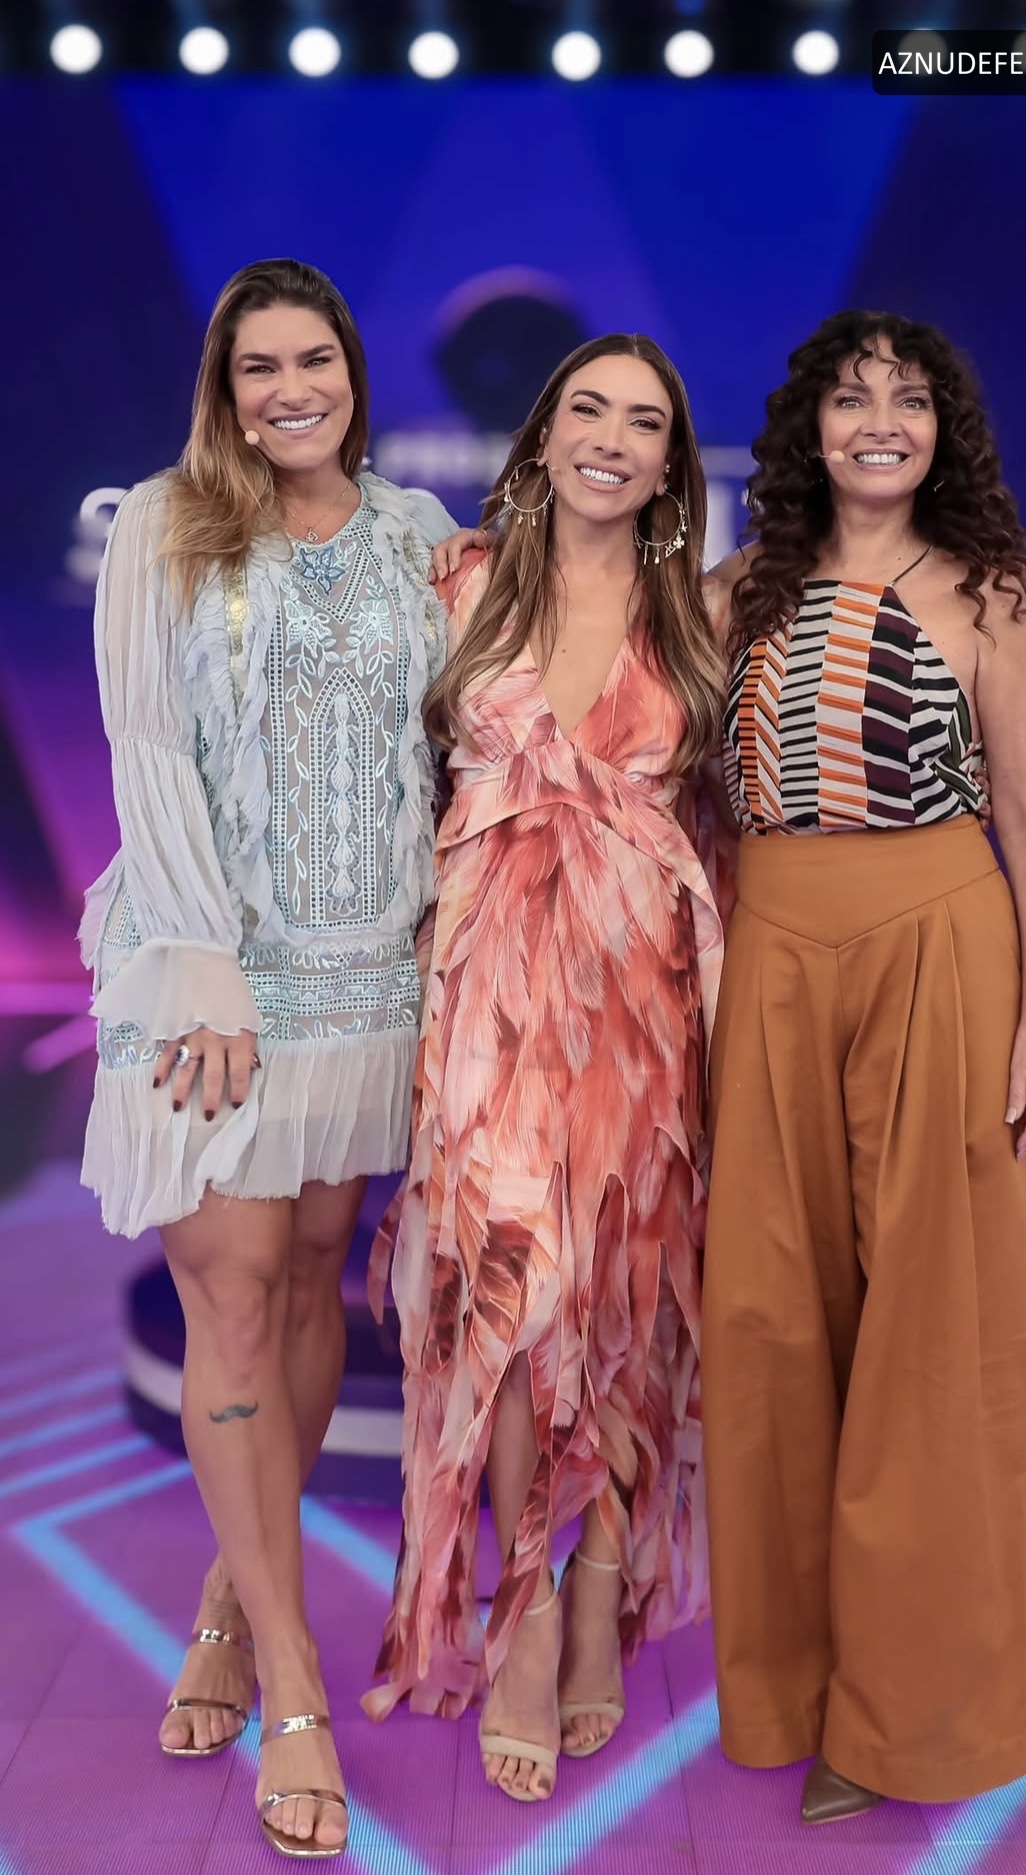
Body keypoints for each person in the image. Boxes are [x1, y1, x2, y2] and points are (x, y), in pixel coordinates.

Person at [81, 258, 453, 1858]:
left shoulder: (415, 536)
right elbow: (147, 751)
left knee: (308, 1288)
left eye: (315, 361)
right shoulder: (167, 525)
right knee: (230, 1299)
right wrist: (204, 972)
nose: (291, 390)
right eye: (260, 368)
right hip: (211, 984)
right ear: (224, 393)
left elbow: (443, 748)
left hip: (368, 986)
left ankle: (236, 1596)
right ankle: (293, 1685)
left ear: (353, 373)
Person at [701, 309, 1026, 1822]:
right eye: (850, 398)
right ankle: (788, 1694)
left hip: (941, 944)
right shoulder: (735, 590)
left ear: (940, 432)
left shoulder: (986, 590)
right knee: (767, 1324)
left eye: (908, 400)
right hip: (772, 953)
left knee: (931, 1334)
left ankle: (906, 1722)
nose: (878, 422)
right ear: (809, 427)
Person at [361, 334, 726, 1803]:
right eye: (589, 409)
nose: (612, 439)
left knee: (625, 1305)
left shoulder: (702, 615)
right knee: (514, 1301)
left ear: (670, 463)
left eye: (645, 422)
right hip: (485, 1003)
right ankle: (518, 1613)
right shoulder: (455, 582)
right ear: (542, 432)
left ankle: (598, 1583)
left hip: (640, 1009)